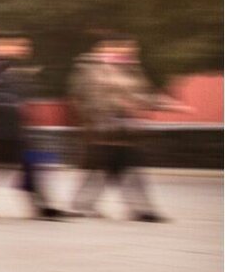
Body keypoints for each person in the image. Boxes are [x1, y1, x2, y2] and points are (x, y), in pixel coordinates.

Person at [69, 36, 172, 222]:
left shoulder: (130, 69)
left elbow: (142, 94)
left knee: (121, 170)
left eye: (133, 48)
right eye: (126, 47)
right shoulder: (91, 69)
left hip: (123, 130)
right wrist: (100, 116)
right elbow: (85, 98)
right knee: (108, 171)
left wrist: (164, 104)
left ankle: (85, 206)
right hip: (102, 130)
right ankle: (84, 206)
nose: (131, 51)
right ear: (107, 48)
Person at [0, 37, 64, 219]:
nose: (21, 49)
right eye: (15, 45)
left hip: (15, 127)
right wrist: (13, 103)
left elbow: (21, 93)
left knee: (28, 165)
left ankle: (42, 206)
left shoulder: (12, 68)